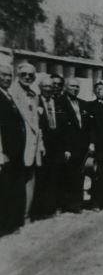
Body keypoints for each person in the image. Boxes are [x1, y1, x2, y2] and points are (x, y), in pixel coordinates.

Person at [10, 63, 45, 221]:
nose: (27, 77)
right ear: (17, 75)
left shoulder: (34, 95)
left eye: (30, 75)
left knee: (30, 181)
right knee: (15, 182)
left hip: (33, 147)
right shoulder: (10, 94)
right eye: (24, 74)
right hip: (17, 146)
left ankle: (26, 214)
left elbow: (37, 125)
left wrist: (41, 144)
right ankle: (15, 215)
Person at [57, 78, 92, 213]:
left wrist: (90, 143)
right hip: (68, 147)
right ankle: (64, 204)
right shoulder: (59, 103)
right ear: (65, 87)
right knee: (66, 175)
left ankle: (76, 204)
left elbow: (88, 126)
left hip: (82, 147)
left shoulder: (83, 104)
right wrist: (65, 148)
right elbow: (60, 128)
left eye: (77, 87)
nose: (75, 89)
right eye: (72, 86)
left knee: (79, 175)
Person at [31, 76, 63, 220]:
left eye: (51, 87)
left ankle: (51, 207)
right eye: (46, 87)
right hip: (42, 146)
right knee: (41, 178)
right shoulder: (35, 101)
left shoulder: (56, 103)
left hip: (56, 147)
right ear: (40, 87)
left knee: (54, 177)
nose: (49, 89)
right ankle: (39, 210)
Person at [0, 63, 26, 236]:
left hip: (15, 152)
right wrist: (1, 153)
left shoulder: (8, 95)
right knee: (4, 190)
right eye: (3, 75)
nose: (7, 78)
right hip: (5, 154)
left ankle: (10, 224)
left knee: (11, 189)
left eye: (10, 76)